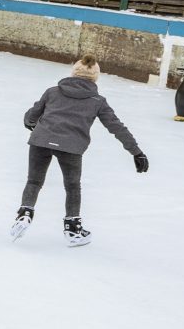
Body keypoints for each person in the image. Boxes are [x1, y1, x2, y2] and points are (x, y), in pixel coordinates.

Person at [12, 57, 148, 245]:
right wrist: (136, 152)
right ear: (95, 77)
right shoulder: (97, 101)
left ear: (74, 72)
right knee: (72, 186)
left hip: (41, 140)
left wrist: (32, 124)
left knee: (34, 181)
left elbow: (30, 116)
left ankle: (25, 214)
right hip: (72, 146)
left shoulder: (52, 92)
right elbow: (117, 127)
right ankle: (73, 229)